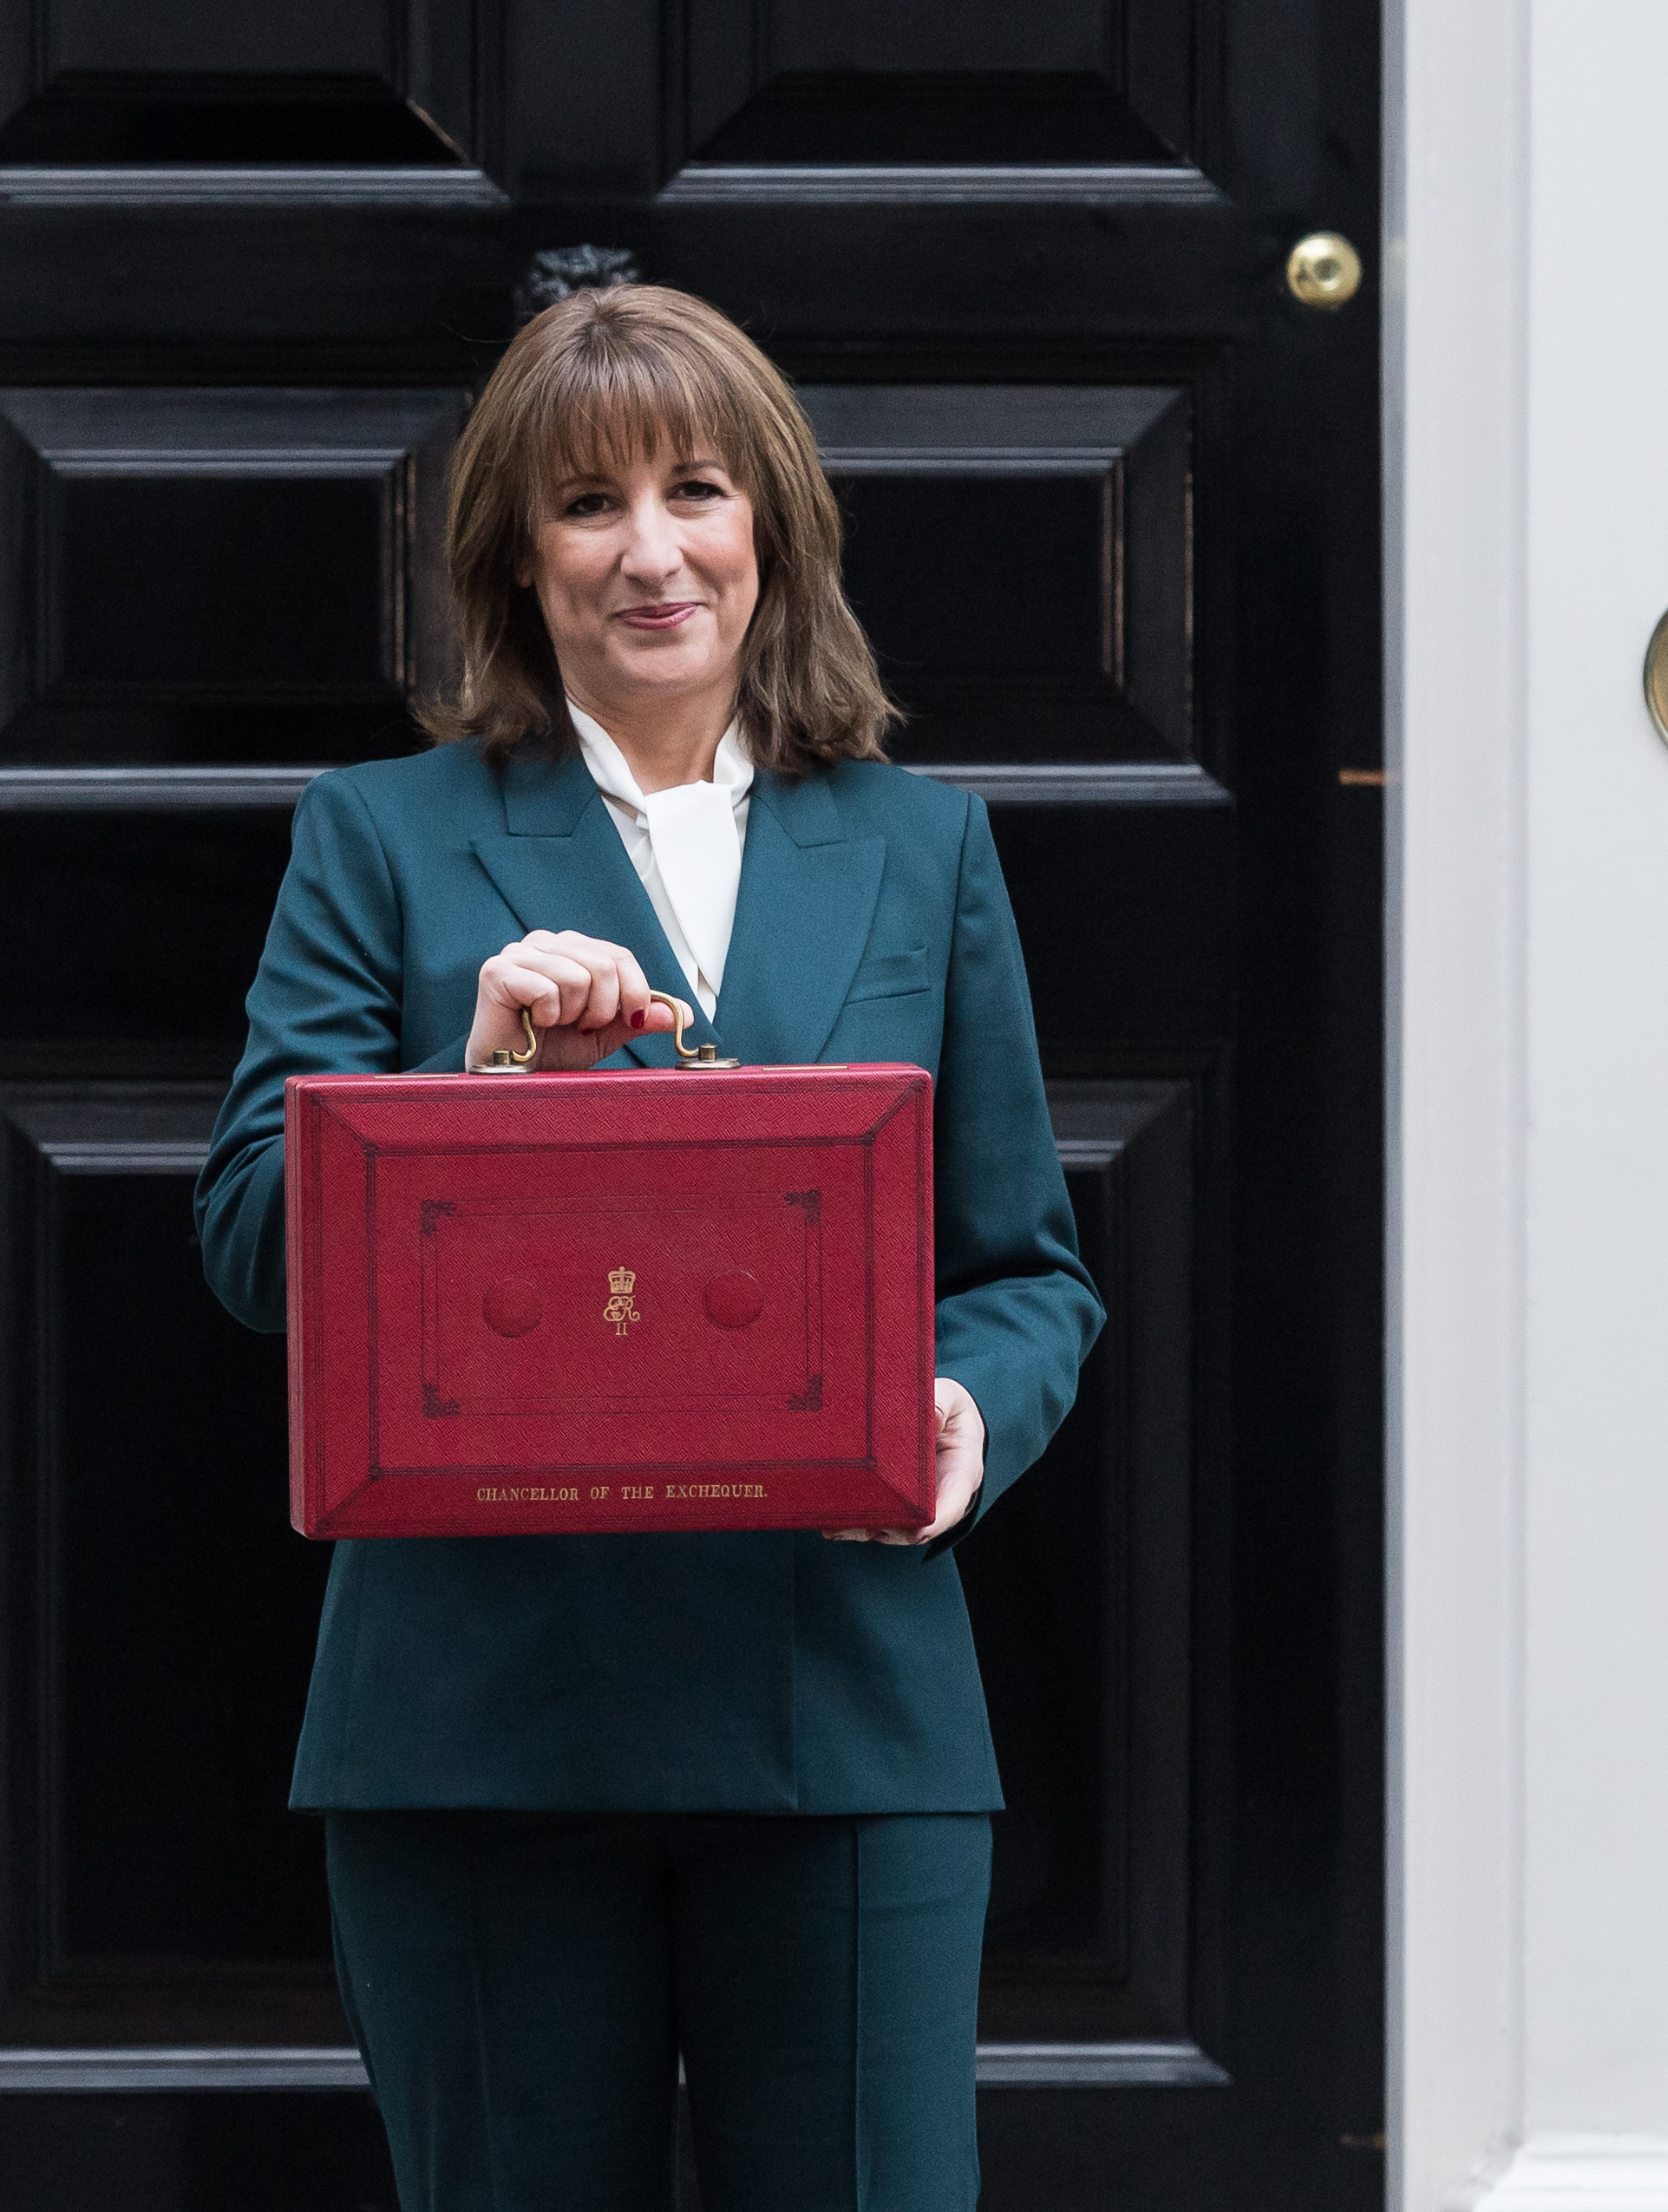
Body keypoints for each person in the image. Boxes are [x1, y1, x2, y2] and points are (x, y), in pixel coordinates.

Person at [195, 284, 1103, 2212]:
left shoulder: (924, 844)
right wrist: (466, 1089)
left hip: (842, 1712)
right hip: (478, 1726)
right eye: (587, 503)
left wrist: (962, 1413)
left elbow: (1026, 1270)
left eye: (694, 490)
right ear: (516, 558)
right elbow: (252, 1245)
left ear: (769, 524)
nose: (650, 551)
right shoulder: (381, 836)